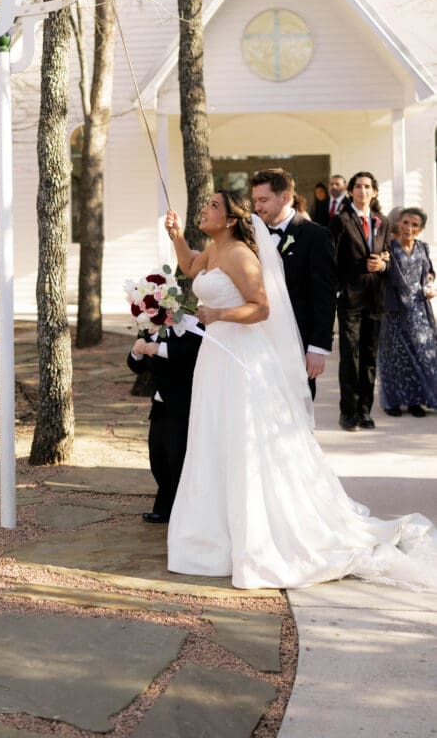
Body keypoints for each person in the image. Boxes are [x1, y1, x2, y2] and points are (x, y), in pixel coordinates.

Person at [163, 192, 437, 590]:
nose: (204, 209)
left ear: (229, 219)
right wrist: (175, 235)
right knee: (214, 438)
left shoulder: (240, 254)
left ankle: (253, 534)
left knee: (242, 440)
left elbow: (261, 307)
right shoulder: (212, 250)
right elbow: (189, 266)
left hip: (241, 358)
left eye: (212, 206)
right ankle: (214, 534)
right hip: (216, 357)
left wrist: (218, 314)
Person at [250, 167, 337, 398]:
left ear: (285, 197)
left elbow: (324, 296)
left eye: (264, 200)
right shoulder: (250, 236)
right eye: (255, 200)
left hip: (299, 340)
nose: (257, 207)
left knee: (298, 406)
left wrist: (318, 347)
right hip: (258, 339)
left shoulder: (316, 235)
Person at [127, 315, 204, 523]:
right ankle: (166, 507)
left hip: (182, 405)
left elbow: (196, 353)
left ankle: (177, 511)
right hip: (160, 405)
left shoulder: (186, 326)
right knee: (157, 457)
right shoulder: (146, 329)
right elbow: (137, 367)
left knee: (177, 458)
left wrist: (160, 349)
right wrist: (137, 351)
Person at [331, 171, 390, 431]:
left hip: (375, 298)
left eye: (367, 186)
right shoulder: (340, 220)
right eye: (358, 186)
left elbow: (388, 253)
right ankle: (348, 412)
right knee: (350, 357)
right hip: (350, 298)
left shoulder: (383, 221)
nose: (362, 190)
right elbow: (331, 259)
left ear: (374, 192)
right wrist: (339, 289)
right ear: (351, 191)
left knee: (369, 356)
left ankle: (365, 411)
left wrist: (384, 264)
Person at [378, 207, 437, 418]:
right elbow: (383, 271)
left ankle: (416, 401)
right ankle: (392, 402)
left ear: (420, 229)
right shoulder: (388, 247)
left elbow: (429, 271)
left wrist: (430, 285)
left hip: (419, 309)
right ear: (398, 223)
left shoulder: (422, 247)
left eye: (414, 225)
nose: (409, 228)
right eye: (405, 223)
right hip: (394, 308)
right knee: (395, 357)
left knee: (422, 353)